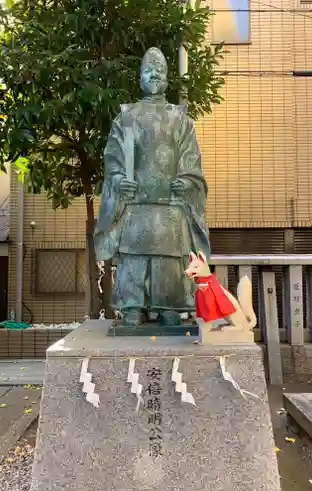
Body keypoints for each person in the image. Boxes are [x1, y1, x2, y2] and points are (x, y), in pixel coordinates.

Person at [94, 47, 210, 327]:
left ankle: (170, 306)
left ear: (168, 79)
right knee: (133, 259)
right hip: (135, 206)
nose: (155, 74)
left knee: (170, 262)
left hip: (170, 206)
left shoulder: (181, 119)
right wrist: (119, 179)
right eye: (149, 70)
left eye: (160, 70)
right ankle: (132, 306)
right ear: (139, 78)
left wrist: (187, 180)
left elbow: (191, 158)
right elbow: (113, 157)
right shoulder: (126, 117)